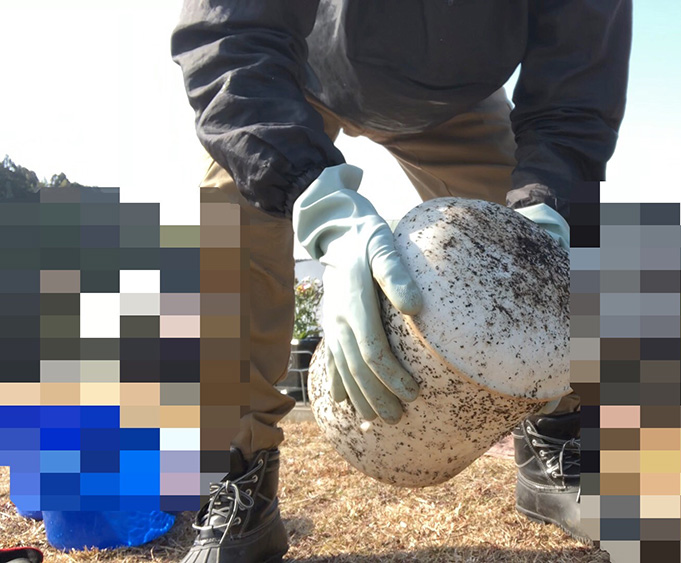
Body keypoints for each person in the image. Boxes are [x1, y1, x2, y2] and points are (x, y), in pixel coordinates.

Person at [171, 1, 631, 561]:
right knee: (226, 217)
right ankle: (238, 473)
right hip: (292, 78)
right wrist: (319, 204)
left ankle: (554, 447)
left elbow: (576, 89)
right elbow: (228, 36)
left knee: (551, 257)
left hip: (454, 101)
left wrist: (548, 204)